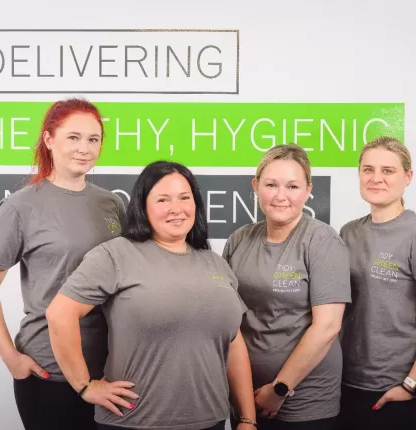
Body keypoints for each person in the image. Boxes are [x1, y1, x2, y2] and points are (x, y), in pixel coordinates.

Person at [46, 160, 257, 430]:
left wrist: (247, 418)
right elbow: (59, 313)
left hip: (211, 420)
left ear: (196, 204)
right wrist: (85, 386)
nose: (176, 209)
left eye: (184, 197)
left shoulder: (215, 263)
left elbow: (234, 343)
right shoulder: (115, 254)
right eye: (162, 200)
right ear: (143, 206)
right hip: (134, 421)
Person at [0, 98, 126, 430]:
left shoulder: (112, 203)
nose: (85, 148)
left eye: (94, 139)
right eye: (73, 137)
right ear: (49, 139)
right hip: (50, 373)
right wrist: (10, 358)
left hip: (112, 369)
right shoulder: (20, 207)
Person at [223, 143, 352, 430]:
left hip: (305, 403)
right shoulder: (239, 239)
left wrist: (279, 389)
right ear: (256, 186)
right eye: (271, 184)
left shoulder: (321, 241)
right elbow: (229, 318)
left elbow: (327, 327)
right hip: (247, 398)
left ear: (308, 190)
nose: (281, 196)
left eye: (293, 186)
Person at [337, 136, 416, 429]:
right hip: (345, 383)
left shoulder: (412, 232)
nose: (376, 178)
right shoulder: (348, 232)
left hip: (394, 389)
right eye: (368, 169)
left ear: (407, 176)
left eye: (388, 170)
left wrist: (410, 386)